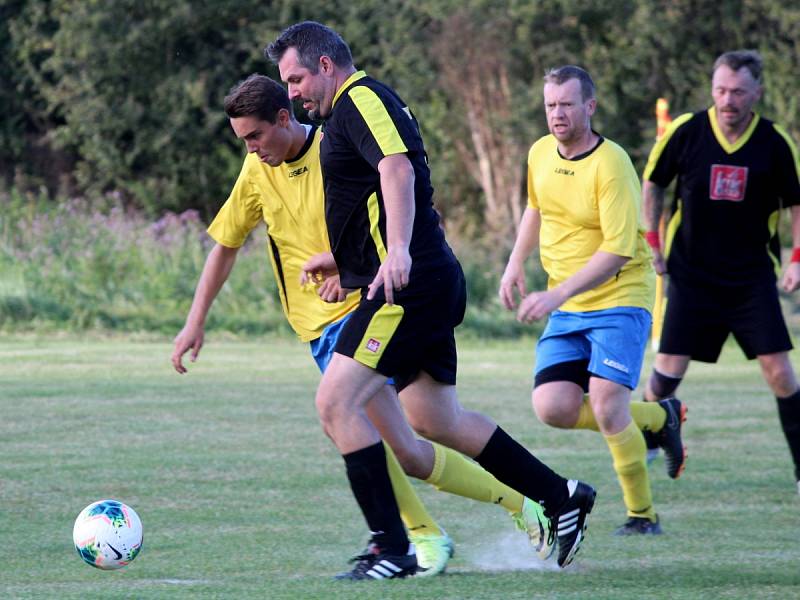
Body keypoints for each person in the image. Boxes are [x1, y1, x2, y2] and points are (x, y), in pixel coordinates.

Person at [171, 74, 561, 578]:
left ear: (285, 117)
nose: (250, 148)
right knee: (411, 451)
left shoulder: (339, 149)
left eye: (255, 136)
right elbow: (225, 244)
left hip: (368, 315)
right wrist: (194, 321)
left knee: (361, 422)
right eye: (243, 139)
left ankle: (411, 541)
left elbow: (388, 217)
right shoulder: (255, 171)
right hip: (317, 329)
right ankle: (522, 506)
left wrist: (350, 275)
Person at [267, 21, 596, 580]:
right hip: (422, 280)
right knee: (435, 419)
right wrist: (346, 265)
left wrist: (396, 251)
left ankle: (391, 550)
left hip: (409, 288)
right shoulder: (352, 110)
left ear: (326, 66)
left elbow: (396, 170)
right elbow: (373, 194)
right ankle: (560, 495)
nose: (293, 93)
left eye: (296, 79)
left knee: (336, 403)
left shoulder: (360, 98)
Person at [499, 65, 686, 536]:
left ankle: (642, 516)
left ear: (589, 106)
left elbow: (620, 248)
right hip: (568, 302)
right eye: (550, 105)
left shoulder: (612, 163)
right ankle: (656, 418)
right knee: (553, 407)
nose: (557, 114)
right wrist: (515, 263)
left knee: (604, 403)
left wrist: (556, 293)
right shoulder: (540, 152)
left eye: (566, 104)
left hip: (620, 294)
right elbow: (534, 209)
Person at [641, 49, 800, 494]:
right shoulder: (687, 131)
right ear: (712, 89)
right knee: (664, 375)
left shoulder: (774, 142)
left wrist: (797, 259)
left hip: (751, 278)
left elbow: (795, 203)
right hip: (692, 275)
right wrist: (651, 241)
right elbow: (653, 183)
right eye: (720, 90)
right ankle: (649, 443)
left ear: (757, 93)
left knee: (781, 374)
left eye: (737, 92)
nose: (728, 100)